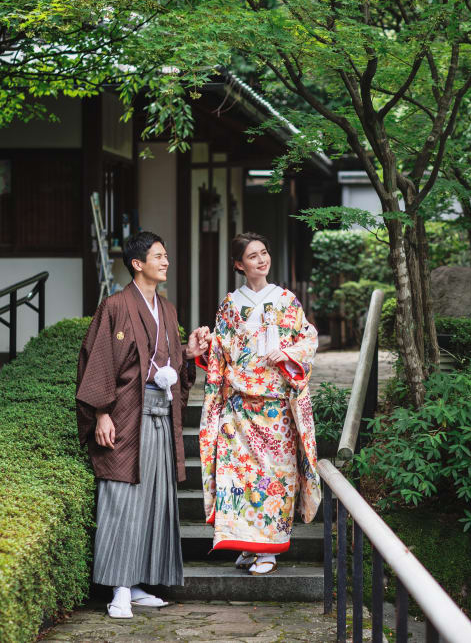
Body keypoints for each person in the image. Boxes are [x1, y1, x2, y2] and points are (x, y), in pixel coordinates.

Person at [76, 231, 210, 618]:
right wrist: (101, 413)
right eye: (158, 256)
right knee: (121, 498)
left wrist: (188, 353)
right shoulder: (115, 306)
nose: (165, 262)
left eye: (166, 255)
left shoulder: (166, 309)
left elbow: (169, 362)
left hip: (160, 413)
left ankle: (137, 584)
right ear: (137, 263)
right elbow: (97, 360)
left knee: (155, 499)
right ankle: (118, 588)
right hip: (124, 415)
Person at [195, 232, 320, 575]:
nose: (261, 260)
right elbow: (219, 352)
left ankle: (269, 552)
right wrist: (206, 345)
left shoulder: (286, 300)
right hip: (239, 407)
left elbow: (308, 337)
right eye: (252, 256)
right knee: (238, 475)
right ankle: (249, 547)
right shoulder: (230, 304)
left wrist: (290, 352)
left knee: (274, 476)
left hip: (275, 407)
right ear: (239, 264)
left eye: (264, 253)